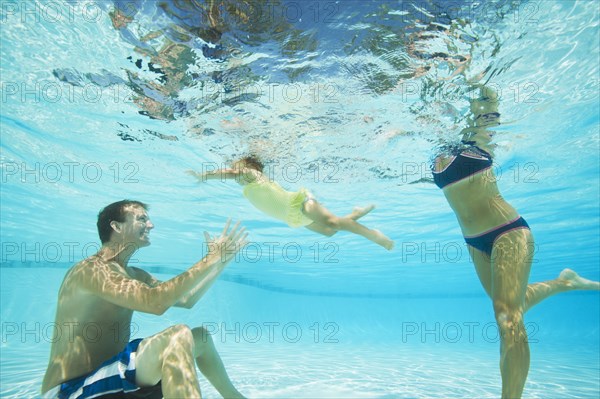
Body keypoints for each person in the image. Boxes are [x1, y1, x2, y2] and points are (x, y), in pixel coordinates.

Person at [431, 85, 600, 399]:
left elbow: (489, 102)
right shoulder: (433, 148)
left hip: (508, 232)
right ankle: (566, 283)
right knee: (513, 306)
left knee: (507, 317)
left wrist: (476, 77)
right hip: (474, 241)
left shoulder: (478, 138)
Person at [41, 200, 248, 399]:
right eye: (142, 219)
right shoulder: (91, 269)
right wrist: (210, 258)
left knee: (200, 338)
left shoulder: (133, 274)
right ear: (116, 226)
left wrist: (220, 261)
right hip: (71, 390)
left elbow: (186, 299)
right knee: (178, 336)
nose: (151, 225)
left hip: (111, 377)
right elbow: (155, 303)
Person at [188, 156, 394, 250]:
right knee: (330, 231)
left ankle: (375, 236)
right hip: (291, 217)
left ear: (248, 165)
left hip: (301, 204)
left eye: (237, 164)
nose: (234, 168)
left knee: (332, 223)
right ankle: (354, 215)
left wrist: (202, 176)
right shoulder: (248, 186)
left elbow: (232, 173)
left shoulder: (252, 174)